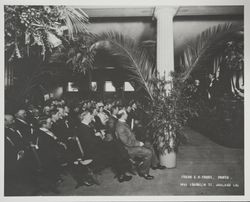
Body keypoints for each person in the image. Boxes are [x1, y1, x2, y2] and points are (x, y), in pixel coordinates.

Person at [75, 109, 132, 183]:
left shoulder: (85, 126)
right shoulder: (82, 128)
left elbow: (92, 139)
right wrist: (98, 137)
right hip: (93, 151)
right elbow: (91, 142)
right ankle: (122, 172)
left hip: (96, 147)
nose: (92, 116)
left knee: (116, 144)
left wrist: (98, 136)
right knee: (116, 150)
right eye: (90, 115)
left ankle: (124, 166)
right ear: (85, 117)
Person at [115, 109, 154, 180]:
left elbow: (129, 136)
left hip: (132, 144)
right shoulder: (120, 126)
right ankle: (144, 172)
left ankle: (152, 164)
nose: (127, 114)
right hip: (128, 148)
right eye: (126, 113)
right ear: (123, 115)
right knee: (149, 152)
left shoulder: (122, 123)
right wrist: (138, 143)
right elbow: (127, 142)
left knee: (149, 145)